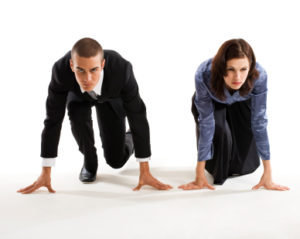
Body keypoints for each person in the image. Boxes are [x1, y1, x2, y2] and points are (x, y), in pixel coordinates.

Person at [18, 38, 172, 194]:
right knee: (77, 115)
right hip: (79, 98)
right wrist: (45, 173)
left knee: (116, 160)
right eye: (80, 70)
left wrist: (144, 170)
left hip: (111, 98)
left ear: (102, 65)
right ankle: (90, 162)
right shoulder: (60, 71)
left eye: (93, 70)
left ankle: (130, 136)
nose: (87, 79)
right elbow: (52, 120)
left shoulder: (122, 69)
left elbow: (137, 114)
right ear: (72, 65)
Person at [179, 39, 289, 191]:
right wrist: (199, 173)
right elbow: (206, 123)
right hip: (214, 99)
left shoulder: (259, 75)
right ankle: (210, 167)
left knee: (243, 164)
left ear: (250, 67)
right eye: (230, 69)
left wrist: (268, 173)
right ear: (221, 67)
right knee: (220, 135)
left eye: (243, 69)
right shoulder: (204, 74)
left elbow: (259, 121)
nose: (237, 77)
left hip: (243, 99)